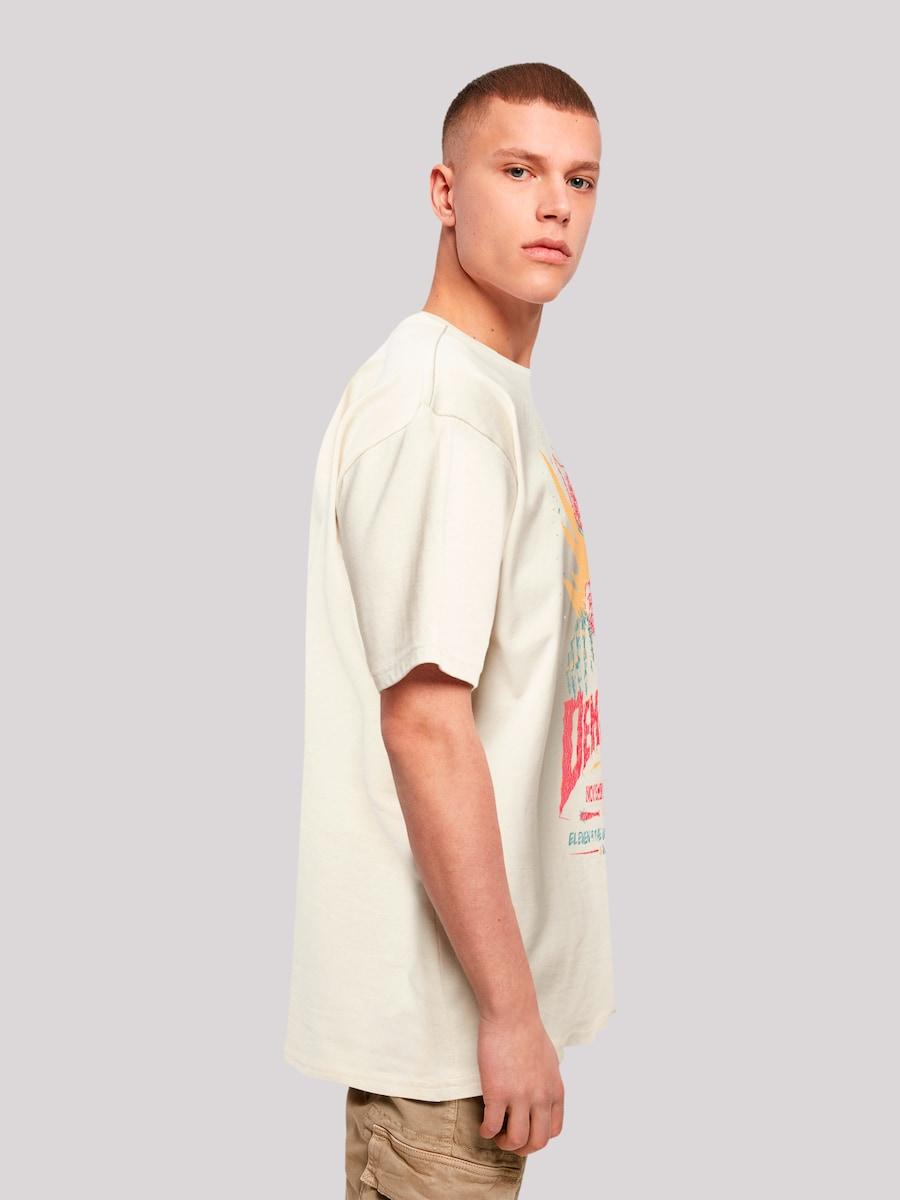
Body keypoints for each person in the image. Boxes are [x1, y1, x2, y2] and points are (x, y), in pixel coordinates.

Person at [283, 61, 617, 1198]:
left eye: (580, 179)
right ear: (444, 191)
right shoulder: (441, 415)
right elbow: (424, 723)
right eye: (517, 171)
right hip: (447, 1053)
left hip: (465, 1038)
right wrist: (510, 1014)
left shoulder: (484, 398)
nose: (555, 206)